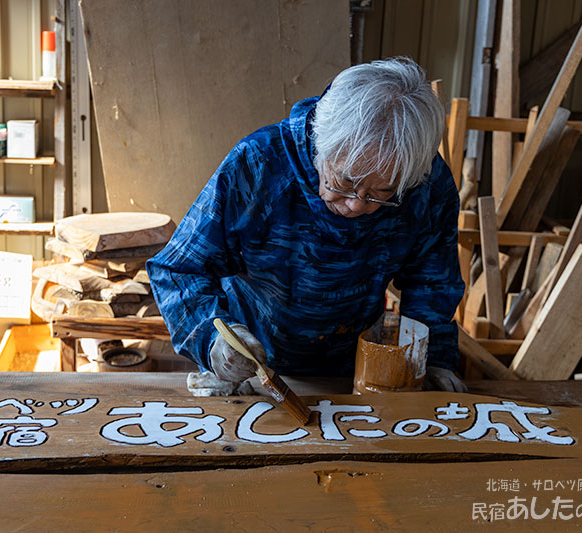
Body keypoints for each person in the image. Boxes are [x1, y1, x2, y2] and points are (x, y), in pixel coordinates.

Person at [146, 57, 466, 393]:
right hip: (248, 366)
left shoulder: (423, 181)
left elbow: (433, 282)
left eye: (380, 194)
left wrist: (435, 360)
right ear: (320, 143)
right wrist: (214, 339)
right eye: (344, 181)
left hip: (355, 370)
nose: (357, 204)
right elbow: (178, 269)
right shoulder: (259, 163)